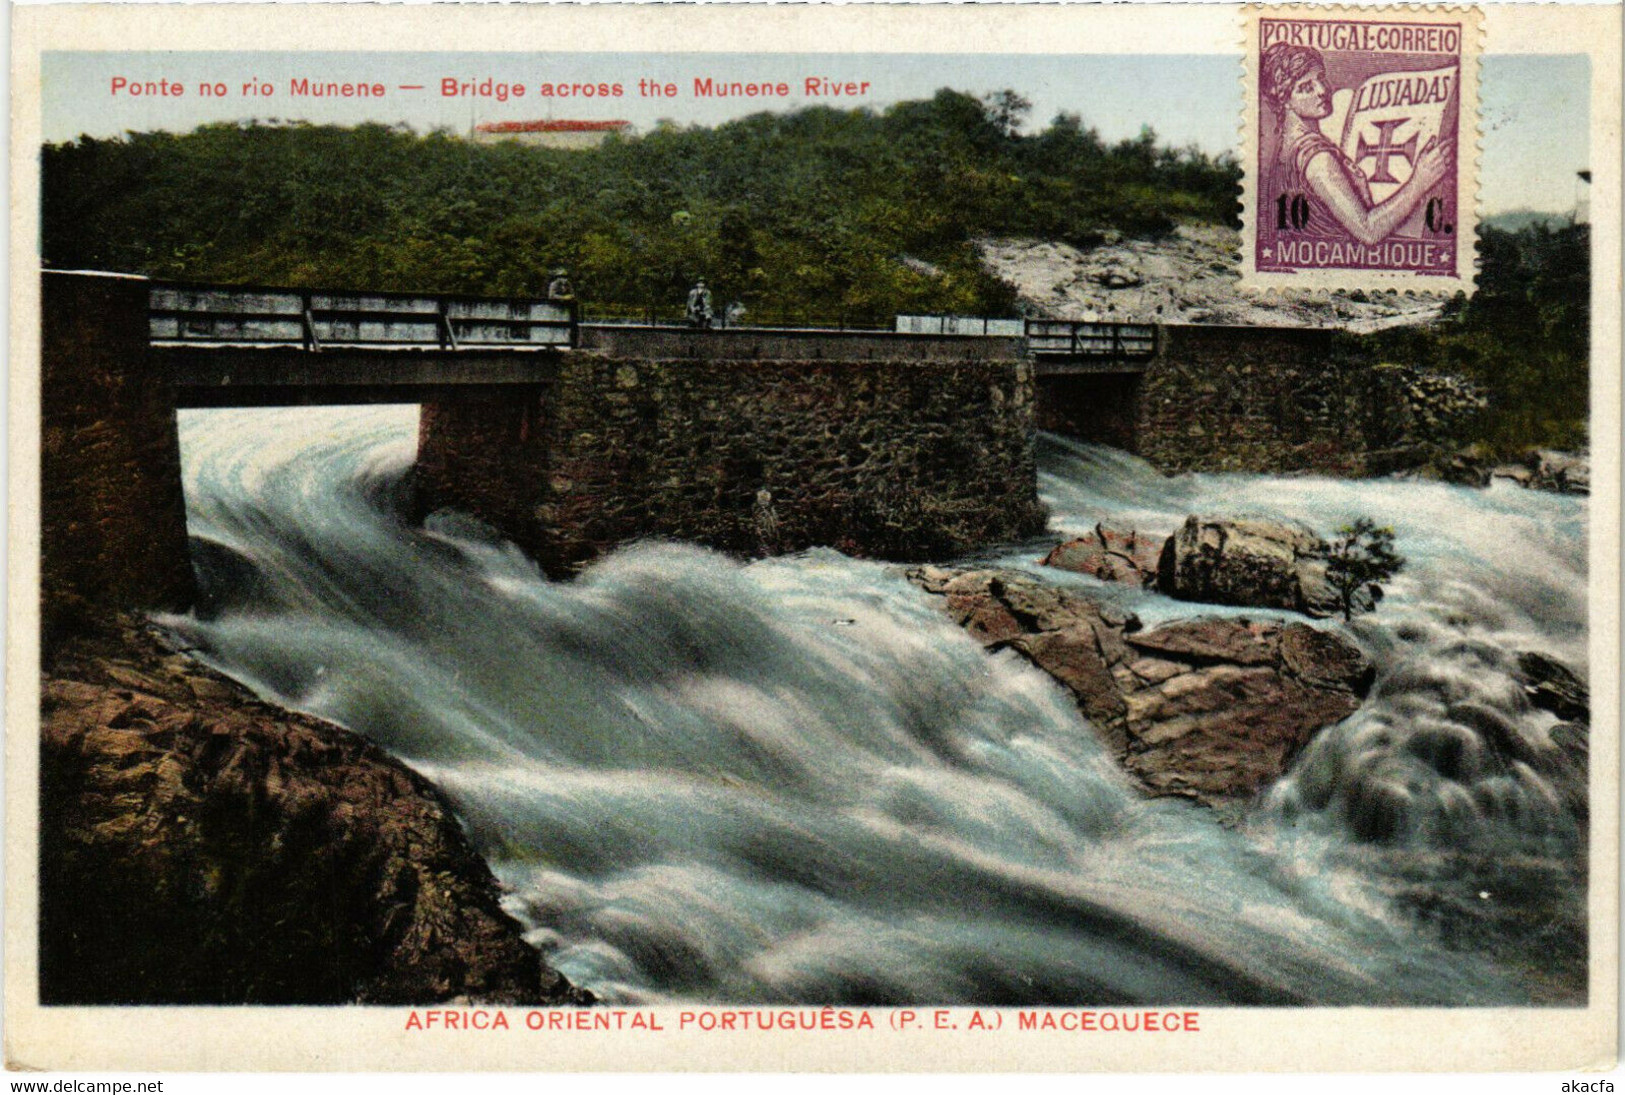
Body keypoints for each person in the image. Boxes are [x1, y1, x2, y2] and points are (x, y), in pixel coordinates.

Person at [1262, 42, 1452, 247]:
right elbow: (1368, 231)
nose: (1322, 90)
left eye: (1321, 78)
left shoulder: (1285, 148)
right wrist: (1419, 182)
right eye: (1306, 88)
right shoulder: (1317, 159)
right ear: (1285, 101)